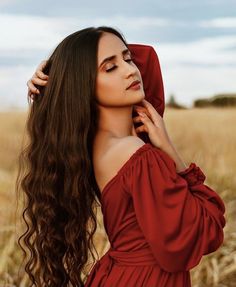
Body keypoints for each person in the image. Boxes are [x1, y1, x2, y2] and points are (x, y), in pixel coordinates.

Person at [20, 26, 226, 287]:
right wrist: (172, 153)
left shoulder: (93, 143)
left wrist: (57, 66)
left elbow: (147, 59)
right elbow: (207, 232)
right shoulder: (137, 156)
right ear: (82, 83)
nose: (130, 70)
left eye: (128, 59)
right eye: (110, 68)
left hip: (119, 275)